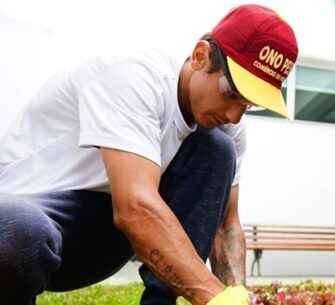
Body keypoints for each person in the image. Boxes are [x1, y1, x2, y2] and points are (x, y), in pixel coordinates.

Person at [0, 4, 297, 305]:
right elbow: (134, 208)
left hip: (96, 237)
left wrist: (236, 295)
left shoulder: (228, 126)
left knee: (218, 147)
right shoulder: (131, 77)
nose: (235, 115)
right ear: (199, 56)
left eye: (248, 104)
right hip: (21, 223)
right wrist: (214, 297)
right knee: (22, 228)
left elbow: (225, 225)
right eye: (231, 94)